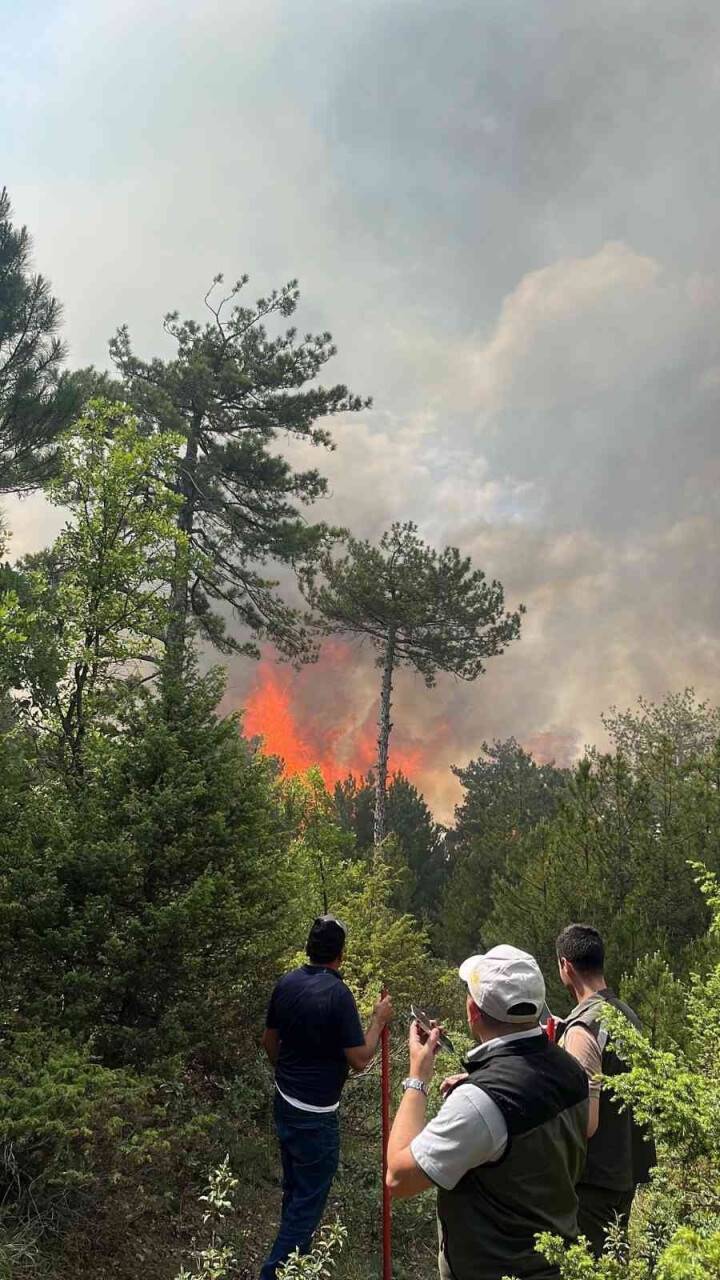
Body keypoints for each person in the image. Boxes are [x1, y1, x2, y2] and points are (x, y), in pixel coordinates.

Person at [386, 945, 589, 1280]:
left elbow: (398, 1178)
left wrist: (418, 1077)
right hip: (558, 1264)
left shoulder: (481, 1101)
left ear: (473, 1011)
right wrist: (480, 1084)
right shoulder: (570, 1069)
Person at [259, 914, 393, 1280]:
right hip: (316, 1117)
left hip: (285, 1103)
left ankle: (294, 1269)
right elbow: (361, 1060)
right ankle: (275, 1273)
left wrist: (285, 1071)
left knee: (294, 1190)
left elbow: (270, 1042)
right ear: (341, 955)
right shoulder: (338, 994)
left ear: (309, 948)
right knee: (306, 1207)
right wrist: (379, 1020)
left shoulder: (286, 983)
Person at [556, 923, 656, 1258]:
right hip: (625, 1172)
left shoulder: (584, 1027)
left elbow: (585, 1122)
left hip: (592, 1182)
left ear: (565, 966)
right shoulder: (627, 1015)